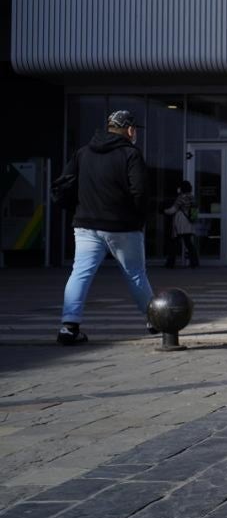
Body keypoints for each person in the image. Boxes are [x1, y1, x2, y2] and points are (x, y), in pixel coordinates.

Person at [51, 110, 155, 345]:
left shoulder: (83, 153)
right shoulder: (131, 154)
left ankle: (69, 327)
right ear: (129, 130)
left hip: (86, 225)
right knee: (135, 273)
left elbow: (63, 186)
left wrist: (78, 210)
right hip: (123, 226)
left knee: (80, 273)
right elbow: (140, 192)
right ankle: (154, 319)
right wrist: (138, 219)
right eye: (134, 129)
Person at [164, 180, 199, 268]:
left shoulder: (181, 197)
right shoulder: (192, 197)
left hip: (181, 223)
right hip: (190, 223)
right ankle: (194, 263)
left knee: (174, 243)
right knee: (189, 243)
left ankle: (170, 263)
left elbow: (173, 209)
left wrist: (164, 211)